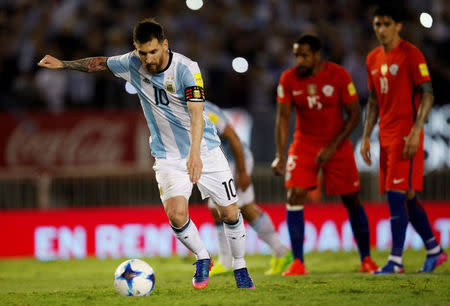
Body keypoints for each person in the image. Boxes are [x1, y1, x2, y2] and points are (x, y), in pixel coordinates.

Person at [37, 18, 255, 289]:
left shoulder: (187, 69)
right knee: (176, 214)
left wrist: (196, 155)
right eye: (143, 53)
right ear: (135, 49)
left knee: (230, 213)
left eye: (153, 51)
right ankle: (202, 257)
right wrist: (64, 64)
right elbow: (101, 62)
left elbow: (198, 116)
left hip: (205, 150)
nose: (148, 59)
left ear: (165, 45)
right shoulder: (131, 63)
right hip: (166, 155)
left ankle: (240, 266)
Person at [272, 34, 378, 275]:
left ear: (317, 55)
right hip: (305, 142)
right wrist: (280, 155)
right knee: (294, 195)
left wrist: (332, 147)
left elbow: (353, 115)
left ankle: (366, 260)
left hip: (336, 144)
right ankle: (298, 262)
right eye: (296, 54)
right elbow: (282, 119)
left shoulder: (339, 75)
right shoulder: (288, 78)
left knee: (351, 198)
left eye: (304, 55)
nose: (299, 59)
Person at [361, 5, 447, 274]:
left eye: (387, 23)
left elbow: (428, 93)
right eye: (377, 24)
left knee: (396, 196)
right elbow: (374, 100)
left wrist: (416, 129)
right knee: (406, 196)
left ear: (398, 26)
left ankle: (395, 260)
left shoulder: (411, 54)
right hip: (384, 134)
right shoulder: (373, 58)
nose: (381, 29)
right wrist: (365, 136)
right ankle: (434, 250)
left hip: (406, 133)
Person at [203, 101, 292, 276]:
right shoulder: (183, 109)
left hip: (235, 160)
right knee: (246, 208)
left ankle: (227, 261)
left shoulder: (205, 110)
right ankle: (281, 252)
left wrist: (242, 171)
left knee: (218, 207)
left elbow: (234, 138)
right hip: (223, 161)